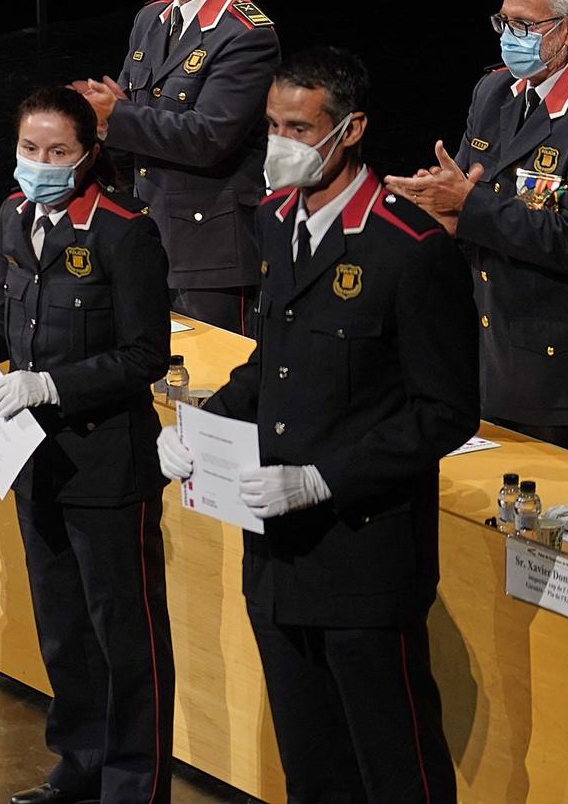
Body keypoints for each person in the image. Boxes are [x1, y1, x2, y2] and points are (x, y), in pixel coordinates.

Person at [162, 47, 478, 804]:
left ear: (352, 129)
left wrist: (319, 480)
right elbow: (273, 361)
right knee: (312, 767)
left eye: (299, 127)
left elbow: (445, 413)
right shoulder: (276, 219)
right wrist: (200, 425)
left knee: (395, 766)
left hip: (364, 557)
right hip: (275, 557)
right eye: (271, 124)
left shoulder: (412, 251)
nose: (280, 142)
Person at [0, 86, 171, 804]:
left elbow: (144, 356)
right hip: (35, 459)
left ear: (87, 155)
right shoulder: (12, 217)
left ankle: (134, 785)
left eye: (57, 153)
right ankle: (80, 762)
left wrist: (49, 386)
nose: (40, 164)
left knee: (123, 636)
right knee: (65, 629)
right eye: (29, 150)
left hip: (107, 462)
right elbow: (13, 319)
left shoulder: (123, 231)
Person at [386, 0, 568, 463]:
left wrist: (466, 206)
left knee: (558, 524)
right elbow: (464, 189)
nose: (510, 35)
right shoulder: (494, 91)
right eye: (505, 21)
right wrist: (434, 201)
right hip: (482, 343)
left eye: (525, 25)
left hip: (556, 368)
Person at [71, 0, 279, 335]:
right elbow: (130, 122)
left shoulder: (247, 34)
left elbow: (209, 138)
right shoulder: (151, 18)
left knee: (212, 389)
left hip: (211, 252)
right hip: (146, 233)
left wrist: (115, 119)